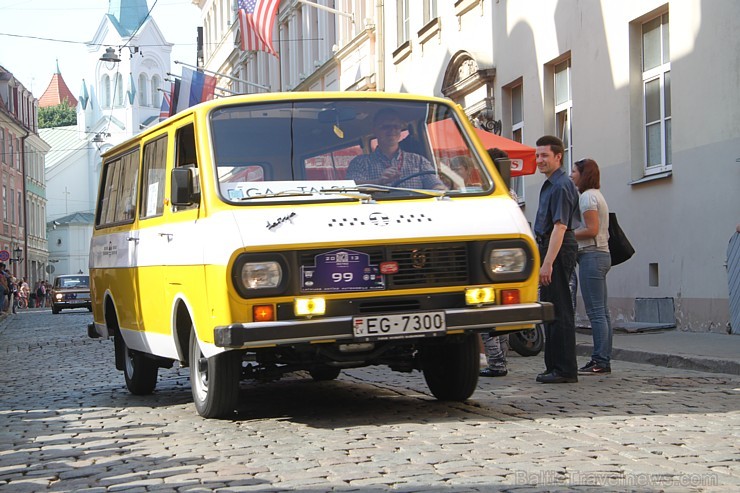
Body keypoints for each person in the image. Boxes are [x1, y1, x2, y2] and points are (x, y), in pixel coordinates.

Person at [533, 135, 579, 384]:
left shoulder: (561, 185)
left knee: (559, 309)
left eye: (544, 156)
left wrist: (548, 262)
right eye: (537, 155)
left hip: (558, 248)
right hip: (550, 246)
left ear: (558, 156)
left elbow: (560, 227)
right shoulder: (551, 183)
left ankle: (564, 369)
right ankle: (554, 366)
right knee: (551, 308)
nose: (539, 160)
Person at [571, 158, 613, 374]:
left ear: (583, 174)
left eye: (574, 171)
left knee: (596, 312)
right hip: (601, 255)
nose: (571, 175)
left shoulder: (587, 197)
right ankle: (603, 358)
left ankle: (600, 360)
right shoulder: (596, 195)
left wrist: (567, 235)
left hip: (592, 255)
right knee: (602, 312)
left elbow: (591, 229)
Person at [345, 108, 446, 190]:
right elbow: (351, 186)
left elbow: (435, 185)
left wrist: (440, 189)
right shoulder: (360, 162)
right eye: (385, 127)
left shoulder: (418, 161)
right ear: (374, 130)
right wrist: (378, 182)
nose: (392, 130)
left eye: (396, 126)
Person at [479, 148, 511, 378]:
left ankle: (497, 362)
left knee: (486, 314)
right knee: (501, 314)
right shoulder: (507, 192)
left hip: (490, 260)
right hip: (506, 260)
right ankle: (502, 359)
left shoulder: (487, 192)